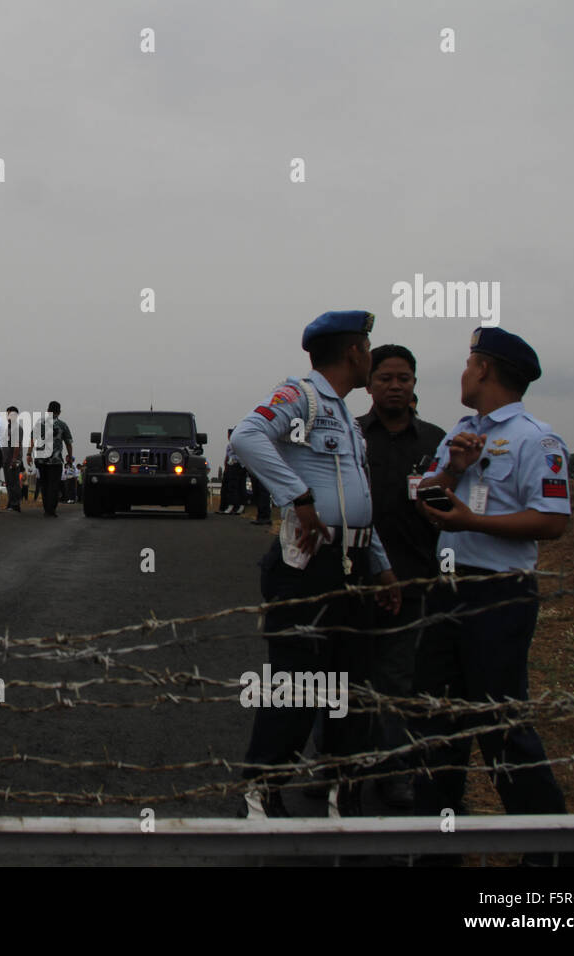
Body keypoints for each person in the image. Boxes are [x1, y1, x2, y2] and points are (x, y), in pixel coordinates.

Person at [412, 328, 574, 863]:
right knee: (438, 722)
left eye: (467, 363)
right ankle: (435, 846)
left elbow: (552, 521)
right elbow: (429, 500)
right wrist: (454, 471)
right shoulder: (460, 433)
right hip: (446, 592)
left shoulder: (536, 439)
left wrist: (473, 519)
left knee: (501, 726)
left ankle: (549, 856)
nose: (462, 373)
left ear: (483, 369)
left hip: (498, 596)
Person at [230, 310, 400, 820]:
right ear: (354, 352)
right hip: (307, 565)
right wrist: (297, 496)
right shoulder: (302, 396)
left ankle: (341, 794)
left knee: (348, 685)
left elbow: (357, 498)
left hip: (354, 562)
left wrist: (383, 565)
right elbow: (246, 437)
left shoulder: (347, 415)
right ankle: (263, 788)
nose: (371, 357)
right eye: (368, 348)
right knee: (298, 685)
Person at [356, 344, 446, 809]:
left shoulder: (435, 442)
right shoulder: (349, 436)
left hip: (413, 578)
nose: (395, 386)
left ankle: (392, 771)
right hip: (354, 578)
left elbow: (450, 508)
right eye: (385, 378)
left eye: (404, 379)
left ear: (414, 385)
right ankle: (338, 767)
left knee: (396, 680)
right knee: (342, 674)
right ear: (369, 384)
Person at [29, 401, 72, 517]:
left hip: (41, 460)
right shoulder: (62, 425)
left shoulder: (39, 423)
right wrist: (70, 458)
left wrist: (28, 454)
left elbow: (32, 439)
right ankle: (51, 509)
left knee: (44, 484)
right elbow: (68, 443)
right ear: (59, 412)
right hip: (56, 460)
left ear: (48, 410)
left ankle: (46, 508)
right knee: (54, 485)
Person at [3, 406, 25, 512]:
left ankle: (15, 504)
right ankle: (10, 502)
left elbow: (17, 445)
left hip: (13, 459)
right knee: (8, 482)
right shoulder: (8, 428)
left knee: (14, 482)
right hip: (6, 459)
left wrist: (14, 460)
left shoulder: (17, 428)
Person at [220, 430, 246, 514]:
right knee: (233, 487)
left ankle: (234, 506)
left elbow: (235, 455)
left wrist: (234, 461)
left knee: (234, 487)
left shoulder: (236, 444)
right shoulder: (231, 444)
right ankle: (234, 506)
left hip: (237, 465)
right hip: (234, 465)